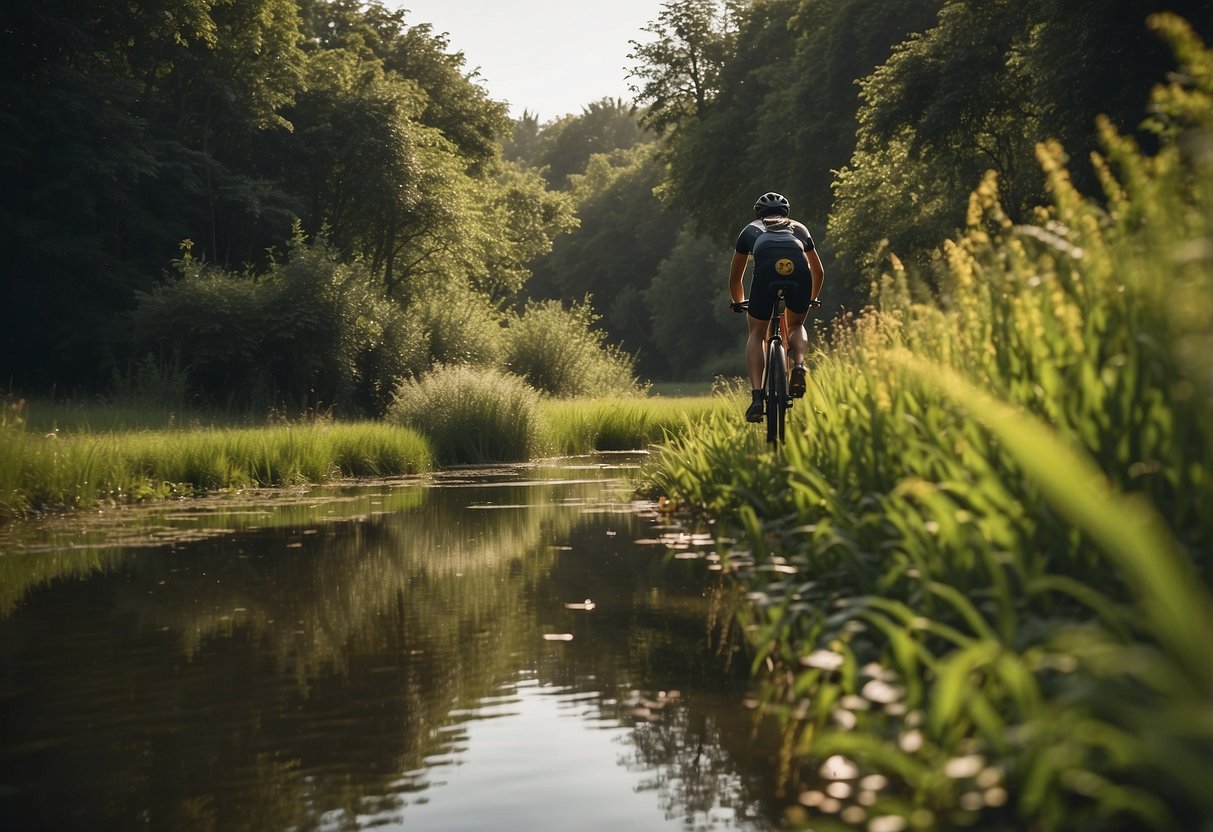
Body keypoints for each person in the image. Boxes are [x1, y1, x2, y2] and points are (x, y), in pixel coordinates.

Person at [729, 192, 825, 423]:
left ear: (758, 213)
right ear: (786, 213)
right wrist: (811, 298)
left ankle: (756, 398)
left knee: (756, 333)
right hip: (800, 273)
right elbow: (819, 271)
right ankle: (799, 364)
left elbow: (735, 277)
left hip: (766, 273)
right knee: (796, 324)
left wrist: (738, 301)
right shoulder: (800, 229)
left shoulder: (749, 230)